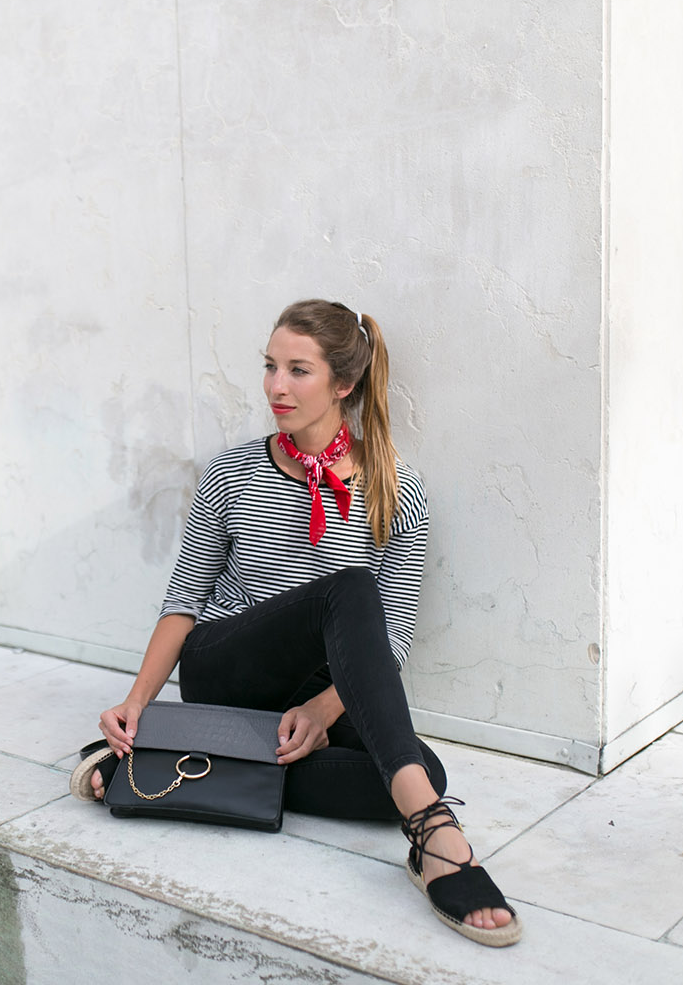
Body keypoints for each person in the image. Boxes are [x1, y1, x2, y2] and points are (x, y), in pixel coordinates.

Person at [69, 299, 521, 947]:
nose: (276, 386)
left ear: (344, 384)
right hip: (226, 663)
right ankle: (433, 832)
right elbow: (184, 598)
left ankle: (178, 766)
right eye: (271, 367)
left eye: (298, 370)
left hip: (317, 690)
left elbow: (389, 639)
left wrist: (321, 711)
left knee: (416, 767)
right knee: (349, 590)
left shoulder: (397, 490)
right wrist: (135, 703)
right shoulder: (232, 472)